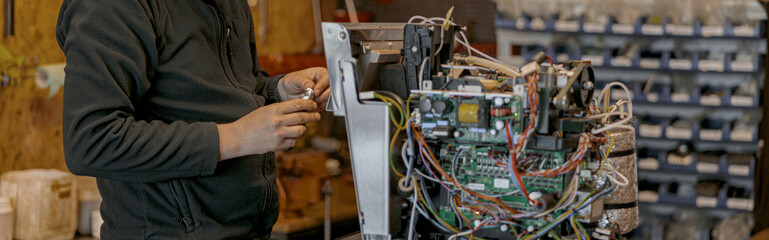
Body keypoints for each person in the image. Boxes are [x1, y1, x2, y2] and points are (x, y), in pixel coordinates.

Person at [56, 1, 329, 239]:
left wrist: (277, 90)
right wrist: (236, 137)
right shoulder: (111, 7)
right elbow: (91, 141)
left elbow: (233, 92)